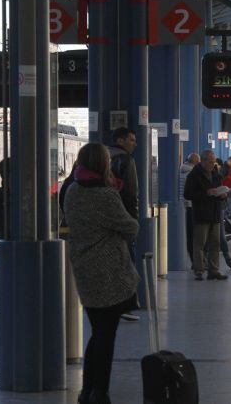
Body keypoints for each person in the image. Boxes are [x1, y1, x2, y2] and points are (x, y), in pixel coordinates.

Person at [63, 143, 140, 404]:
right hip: (108, 273)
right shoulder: (105, 195)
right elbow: (129, 226)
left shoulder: (72, 190)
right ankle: (99, 392)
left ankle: (87, 391)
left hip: (84, 269)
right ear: (102, 163)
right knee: (106, 337)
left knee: (97, 332)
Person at [107, 127, 140, 322]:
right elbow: (130, 193)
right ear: (121, 141)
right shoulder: (126, 160)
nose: (135, 143)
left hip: (102, 221)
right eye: (132, 140)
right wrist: (132, 221)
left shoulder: (103, 157)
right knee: (126, 261)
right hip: (121, 218)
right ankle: (125, 304)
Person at [183, 150, 228, 281]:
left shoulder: (216, 174)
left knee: (215, 243)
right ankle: (199, 270)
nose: (212, 164)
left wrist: (222, 195)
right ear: (202, 161)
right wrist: (206, 193)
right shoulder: (194, 175)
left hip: (215, 213)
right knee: (199, 244)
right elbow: (188, 194)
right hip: (201, 214)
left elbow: (219, 189)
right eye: (210, 161)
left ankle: (214, 270)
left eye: (214, 161)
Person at [180, 153, 200, 264]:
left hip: (183, 205)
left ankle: (193, 259)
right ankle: (195, 260)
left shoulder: (180, 171)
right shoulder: (192, 174)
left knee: (188, 234)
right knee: (193, 235)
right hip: (191, 206)